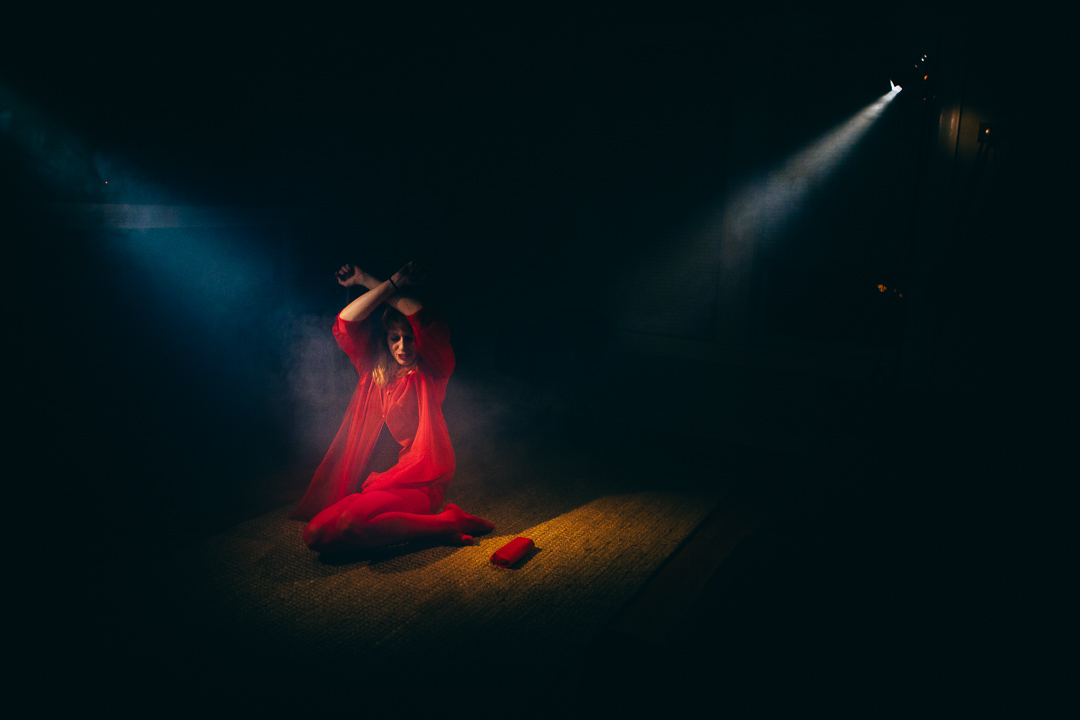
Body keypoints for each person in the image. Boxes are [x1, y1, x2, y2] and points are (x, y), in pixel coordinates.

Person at [291, 261, 493, 552]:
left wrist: (387, 281)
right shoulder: (373, 372)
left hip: (419, 483)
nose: (402, 346)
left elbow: (422, 318)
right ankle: (444, 526)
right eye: (394, 338)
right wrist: (372, 280)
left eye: (409, 339)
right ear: (385, 341)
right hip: (377, 482)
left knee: (351, 525)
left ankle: (450, 522)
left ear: (419, 341)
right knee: (314, 535)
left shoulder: (433, 371)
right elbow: (346, 322)